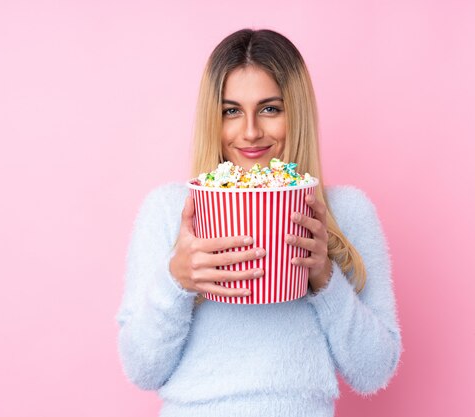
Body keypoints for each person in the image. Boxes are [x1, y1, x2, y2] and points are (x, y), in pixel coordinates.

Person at [116, 28, 402, 417]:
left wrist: (325, 279)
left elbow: (373, 373)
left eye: (270, 108)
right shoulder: (169, 210)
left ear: (296, 113)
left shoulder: (346, 213)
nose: (250, 131)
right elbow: (142, 370)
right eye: (230, 110)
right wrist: (177, 281)